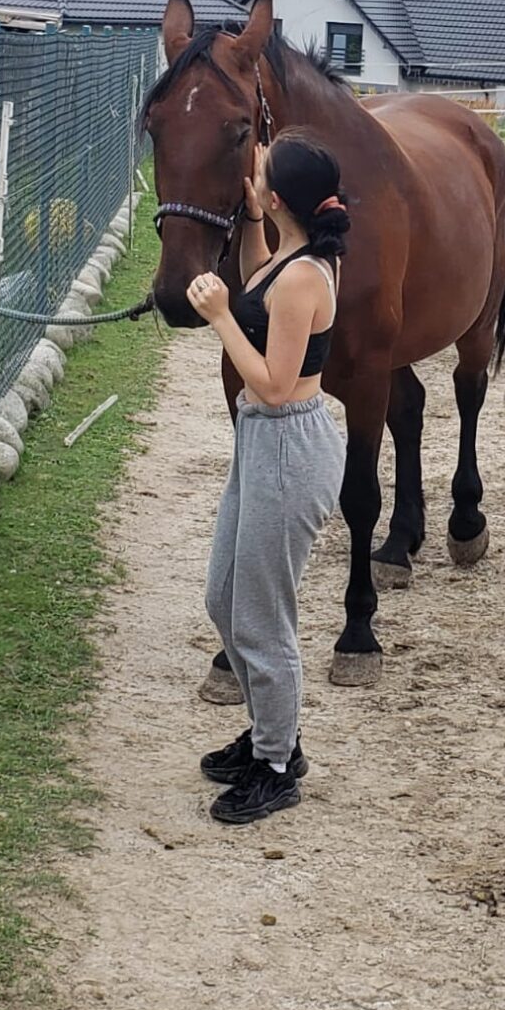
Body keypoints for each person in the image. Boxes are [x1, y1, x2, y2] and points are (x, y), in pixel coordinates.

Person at [186, 130, 349, 825]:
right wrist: (253, 215)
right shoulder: (288, 252)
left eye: (262, 166)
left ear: (284, 195)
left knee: (262, 617)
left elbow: (277, 384)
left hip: (288, 441)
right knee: (225, 598)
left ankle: (278, 764)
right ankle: (266, 736)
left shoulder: (309, 275)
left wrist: (219, 317)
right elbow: (258, 279)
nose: (254, 162)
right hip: (261, 443)